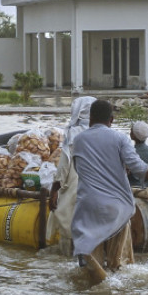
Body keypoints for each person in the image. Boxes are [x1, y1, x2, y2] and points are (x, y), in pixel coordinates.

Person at [71, 100, 148, 283]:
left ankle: (91, 294)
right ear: (111, 119)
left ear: (90, 118)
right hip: (115, 209)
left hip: (87, 208)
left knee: (91, 268)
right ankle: (115, 293)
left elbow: (80, 168)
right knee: (119, 267)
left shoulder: (78, 140)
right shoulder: (119, 139)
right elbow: (138, 167)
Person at [48, 95, 96, 252]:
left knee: (68, 226)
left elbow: (64, 166)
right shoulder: (103, 132)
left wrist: (54, 190)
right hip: (97, 189)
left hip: (76, 188)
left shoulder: (74, 133)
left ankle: (70, 256)